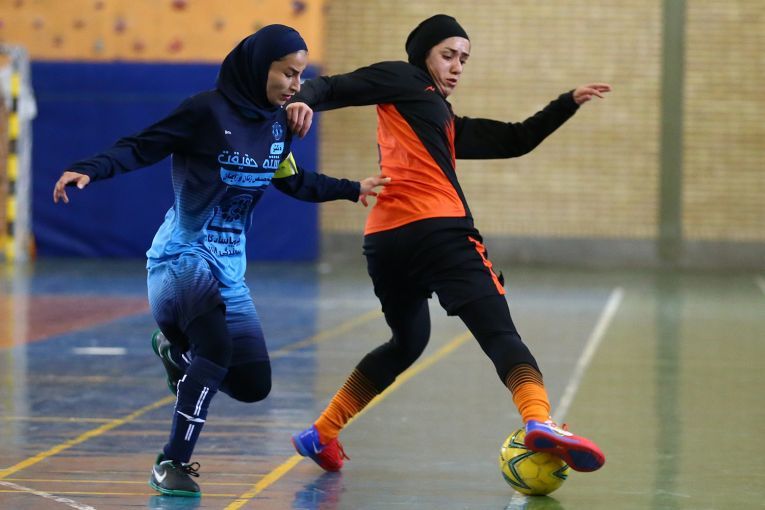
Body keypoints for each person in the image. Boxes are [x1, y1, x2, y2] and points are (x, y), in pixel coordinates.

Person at [52, 25, 388, 497]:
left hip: (229, 268)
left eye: (301, 75)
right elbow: (142, 146)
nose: (296, 85)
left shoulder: (277, 126)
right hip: (181, 257)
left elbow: (292, 180)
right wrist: (90, 169)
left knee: (253, 384)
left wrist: (352, 189)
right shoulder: (205, 111)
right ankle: (171, 462)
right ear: (259, 68)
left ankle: (176, 353)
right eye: (287, 74)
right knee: (215, 348)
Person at [286, 14, 611, 474]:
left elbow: (516, 139)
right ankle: (539, 420)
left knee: (407, 342)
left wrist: (566, 103)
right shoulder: (403, 77)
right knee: (500, 333)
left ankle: (322, 432)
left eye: (464, 59)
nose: (457, 66)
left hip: (385, 241)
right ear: (423, 55)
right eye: (448, 55)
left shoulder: (440, 119)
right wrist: (301, 99)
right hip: (439, 232)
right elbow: (336, 86)